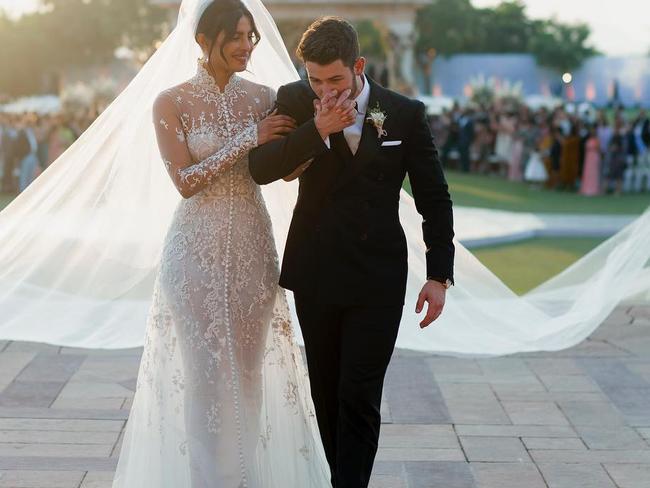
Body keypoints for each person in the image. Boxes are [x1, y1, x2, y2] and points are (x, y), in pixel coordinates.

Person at [112, 1, 332, 486]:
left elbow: (282, 170)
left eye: (250, 36)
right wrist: (247, 138)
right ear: (202, 39)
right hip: (193, 253)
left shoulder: (265, 96)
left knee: (250, 377)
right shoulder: (170, 101)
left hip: (253, 248)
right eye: (235, 36)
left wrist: (313, 137)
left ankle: (244, 477)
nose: (246, 46)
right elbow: (185, 181)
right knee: (204, 379)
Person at [248, 17, 454, 488]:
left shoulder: (403, 113)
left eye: (335, 80)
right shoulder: (296, 101)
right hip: (316, 269)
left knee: (359, 394)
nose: (324, 90)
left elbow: (433, 197)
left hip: (377, 277)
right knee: (325, 392)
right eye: (314, 79)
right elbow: (261, 170)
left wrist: (438, 275)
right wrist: (316, 129)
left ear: (358, 66)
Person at [580, 125, 602, 196]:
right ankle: (586, 188)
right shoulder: (588, 140)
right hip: (588, 157)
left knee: (593, 173)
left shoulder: (597, 140)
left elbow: (598, 148)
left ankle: (593, 189)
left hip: (594, 157)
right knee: (587, 172)